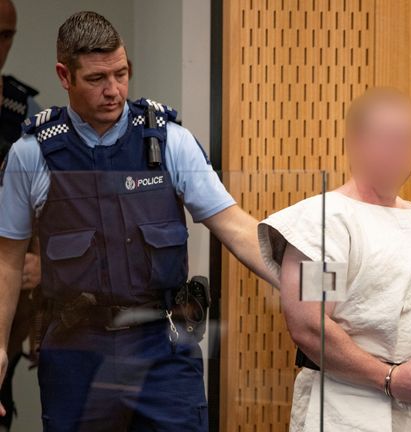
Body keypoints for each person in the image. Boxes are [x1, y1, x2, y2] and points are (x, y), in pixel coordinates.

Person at [0, 11, 277, 431]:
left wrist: (302, 277)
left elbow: (236, 227)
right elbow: (8, 261)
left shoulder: (170, 141)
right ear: (65, 75)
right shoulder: (32, 153)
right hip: (78, 347)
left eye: (122, 73)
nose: (114, 91)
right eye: (97, 79)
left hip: (161, 344)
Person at [258, 88, 411, 432]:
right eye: (385, 140)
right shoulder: (325, 223)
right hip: (341, 406)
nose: (396, 152)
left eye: (405, 140)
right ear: (354, 142)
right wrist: (387, 377)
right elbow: (311, 325)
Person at [0, 1, 41, 430]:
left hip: (8, 300)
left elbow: (45, 212)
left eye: (5, 35)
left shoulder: (22, 108)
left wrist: (42, 266)